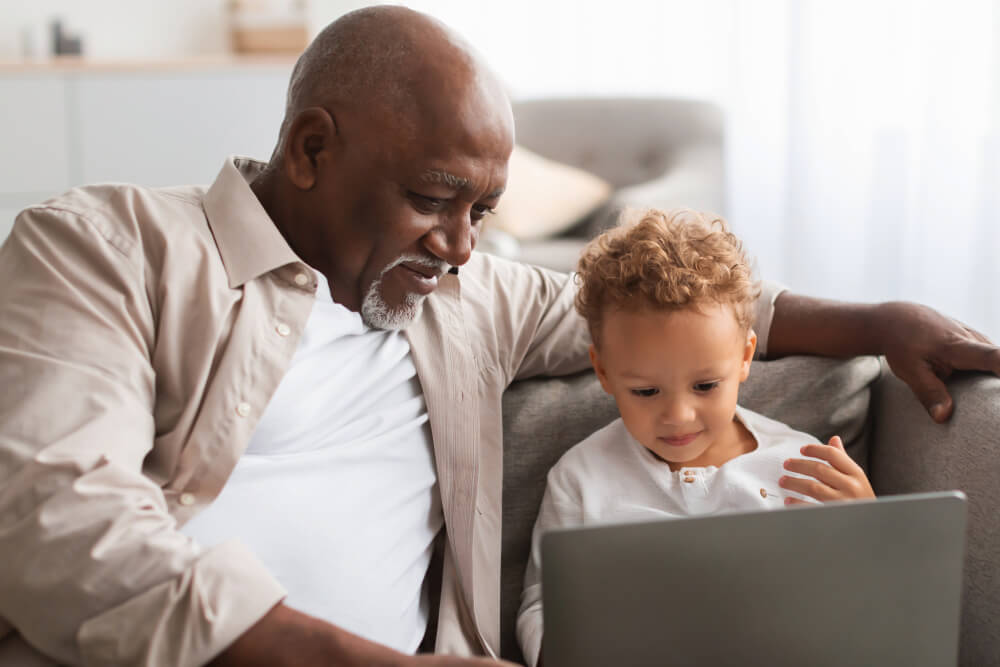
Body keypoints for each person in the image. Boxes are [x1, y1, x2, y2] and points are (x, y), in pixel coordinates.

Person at [0, 5, 996, 666]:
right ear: (310, 148)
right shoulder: (104, 248)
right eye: (435, 199)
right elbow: (51, 517)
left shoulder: (465, 297)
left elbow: (670, 308)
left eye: (484, 209)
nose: (463, 246)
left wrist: (877, 318)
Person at [514, 208, 877, 665]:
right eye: (646, 391)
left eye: (705, 386)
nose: (678, 416)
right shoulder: (580, 478)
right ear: (603, 371)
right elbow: (541, 606)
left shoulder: (802, 466)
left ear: (745, 357)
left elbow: (861, 608)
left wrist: (867, 529)